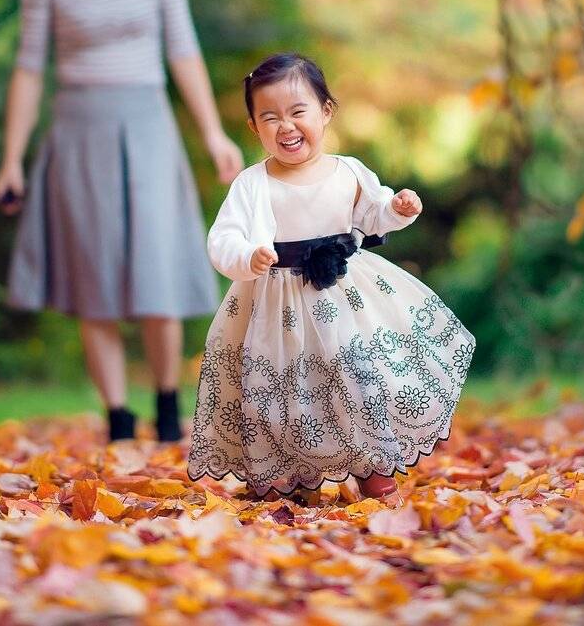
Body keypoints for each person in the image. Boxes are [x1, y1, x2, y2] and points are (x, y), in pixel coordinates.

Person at [0, 0, 244, 444]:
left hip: (148, 125)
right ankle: (117, 416)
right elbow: (29, 69)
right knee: (94, 277)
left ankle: (167, 405)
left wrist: (213, 133)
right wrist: (11, 159)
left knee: (157, 266)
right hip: (78, 132)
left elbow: (182, 48)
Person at [187, 53, 475, 501]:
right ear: (254, 127)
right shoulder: (251, 183)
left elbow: (373, 212)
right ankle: (278, 470)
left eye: (297, 112)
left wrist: (396, 209)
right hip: (275, 305)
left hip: (341, 296)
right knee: (276, 385)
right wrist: (247, 256)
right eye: (270, 117)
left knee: (356, 374)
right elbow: (223, 238)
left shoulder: (348, 171)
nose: (286, 126)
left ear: (325, 112)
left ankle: (373, 463)